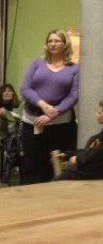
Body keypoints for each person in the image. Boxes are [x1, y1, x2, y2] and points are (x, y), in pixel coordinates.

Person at [20, 29, 79, 184]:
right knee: (32, 164)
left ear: (65, 44)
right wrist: (43, 105)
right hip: (32, 121)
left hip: (60, 123)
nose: (52, 44)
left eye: (56, 41)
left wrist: (53, 113)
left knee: (53, 166)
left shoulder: (73, 68)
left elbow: (73, 96)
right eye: (50, 41)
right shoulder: (36, 63)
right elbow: (25, 88)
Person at [54, 98, 103, 180]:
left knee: (65, 176)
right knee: (66, 171)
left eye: (99, 113)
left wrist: (78, 159)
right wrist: (69, 154)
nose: (96, 115)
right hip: (98, 167)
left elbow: (98, 154)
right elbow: (92, 150)